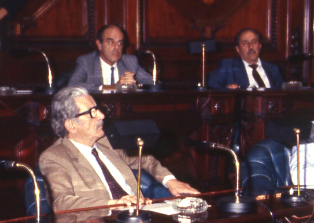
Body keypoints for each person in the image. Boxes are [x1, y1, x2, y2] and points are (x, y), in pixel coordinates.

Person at [39, 86, 198, 211]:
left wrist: (171, 181)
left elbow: (144, 160)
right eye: (92, 113)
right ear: (71, 125)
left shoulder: (106, 142)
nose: (101, 116)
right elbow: (61, 202)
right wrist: (113, 204)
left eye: (99, 110)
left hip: (141, 214)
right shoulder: (55, 156)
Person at [67, 25, 154, 90]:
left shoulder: (130, 61)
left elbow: (153, 83)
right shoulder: (87, 61)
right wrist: (110, 87)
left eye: (120, 43)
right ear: (99, 44)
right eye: (111, 42)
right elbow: (72, 85)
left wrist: (134, 84)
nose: (116, 47)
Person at [207, 28, 284, 90]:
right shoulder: (228, 65)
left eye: (254, 42)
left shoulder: (273, 68)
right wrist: (227, 91)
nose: (251, 47)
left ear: (260, 46)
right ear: (238, 49)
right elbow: (211, 86)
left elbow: (282, 90)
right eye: (245, 43)